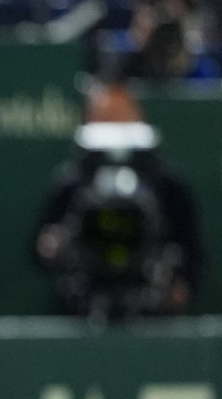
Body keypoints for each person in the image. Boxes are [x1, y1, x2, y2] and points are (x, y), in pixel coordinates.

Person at [32, 80, 206, 321]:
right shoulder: (71, 184)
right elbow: (39, 250)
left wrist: (179, 286)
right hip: (81, 312)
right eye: (104, 118)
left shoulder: (171, 187)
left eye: (121, 117)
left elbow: (193, 253)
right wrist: (52, 246)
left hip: (156, 316)